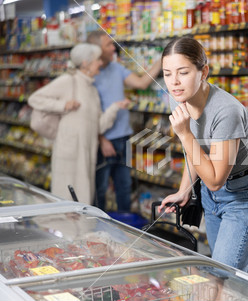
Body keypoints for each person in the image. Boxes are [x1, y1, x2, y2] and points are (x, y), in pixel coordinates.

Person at [159, 37, 248, 273]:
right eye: (167, 73)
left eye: (182, 72)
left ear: (203, 71)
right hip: (212, 199)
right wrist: (184, 190)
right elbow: (197, 154)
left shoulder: (226, 111)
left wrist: (184, 134)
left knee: (221, 275)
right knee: (235, 276)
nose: (174, 82)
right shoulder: (181, 101)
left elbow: (214, 180)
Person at [28, 43, 129, 204]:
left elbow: (98, 126)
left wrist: (115, 108)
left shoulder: (92, 90)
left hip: (87, 156)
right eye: (97, 60)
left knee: (82, 203)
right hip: (68, 156)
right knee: (65, 202)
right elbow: (35, 99)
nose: (100, 63)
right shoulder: (69, 81)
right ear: (85, 63)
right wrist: (63, 105)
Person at [87, 30, 161, 213]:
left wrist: (162, 60)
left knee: (125, 187)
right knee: (100, 190)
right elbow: (87, 114)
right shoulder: (89, 75)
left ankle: (124, 233)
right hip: (103, 142)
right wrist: (101, 139)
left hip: (123, 137)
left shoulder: (116, 68)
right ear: (96, 49)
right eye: (108, 45)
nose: (114, 48)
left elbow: (142, 83)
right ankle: (97, 234)